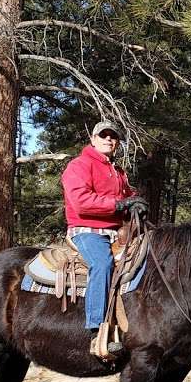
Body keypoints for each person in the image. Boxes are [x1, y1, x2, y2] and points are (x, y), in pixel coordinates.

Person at [61, 120, 148, 355]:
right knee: (103, 264)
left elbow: (129, 194)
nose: (108, 139)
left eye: (113, 136)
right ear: (93, 139)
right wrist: (118, 204)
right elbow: (81, 201)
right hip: (88, 231)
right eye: (103, 135)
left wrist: (136, 202)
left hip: (116, 233)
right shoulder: (79, 165)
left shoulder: (118, 172)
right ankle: (96, 330)